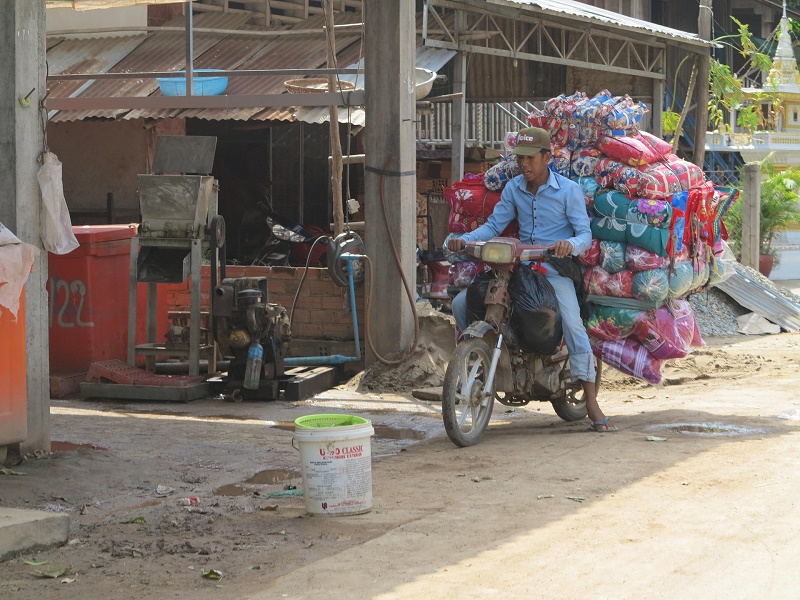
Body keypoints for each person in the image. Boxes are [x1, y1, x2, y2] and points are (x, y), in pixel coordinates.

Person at [447, 126, 617, 432]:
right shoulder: (514, 188)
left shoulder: (568, 190)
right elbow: (494, 225)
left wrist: (569, 245)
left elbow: (583, 234)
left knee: (574, 325)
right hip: (518, 268)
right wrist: (465, 239)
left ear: (546, 157)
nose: (523, 164)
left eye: (529, 158)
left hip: (553, 270)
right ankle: (476, 362)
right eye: (519, 158)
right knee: (462, 302)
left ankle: (591, 402)